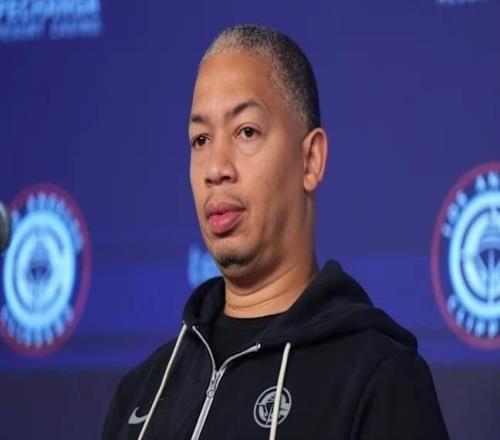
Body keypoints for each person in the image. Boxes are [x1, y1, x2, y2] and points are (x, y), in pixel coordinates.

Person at [102, 24, 449, 440]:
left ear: (310, 160)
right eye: (200, 139)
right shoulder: (143, 392)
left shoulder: (379, 378)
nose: (216, 169)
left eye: (246, 131)